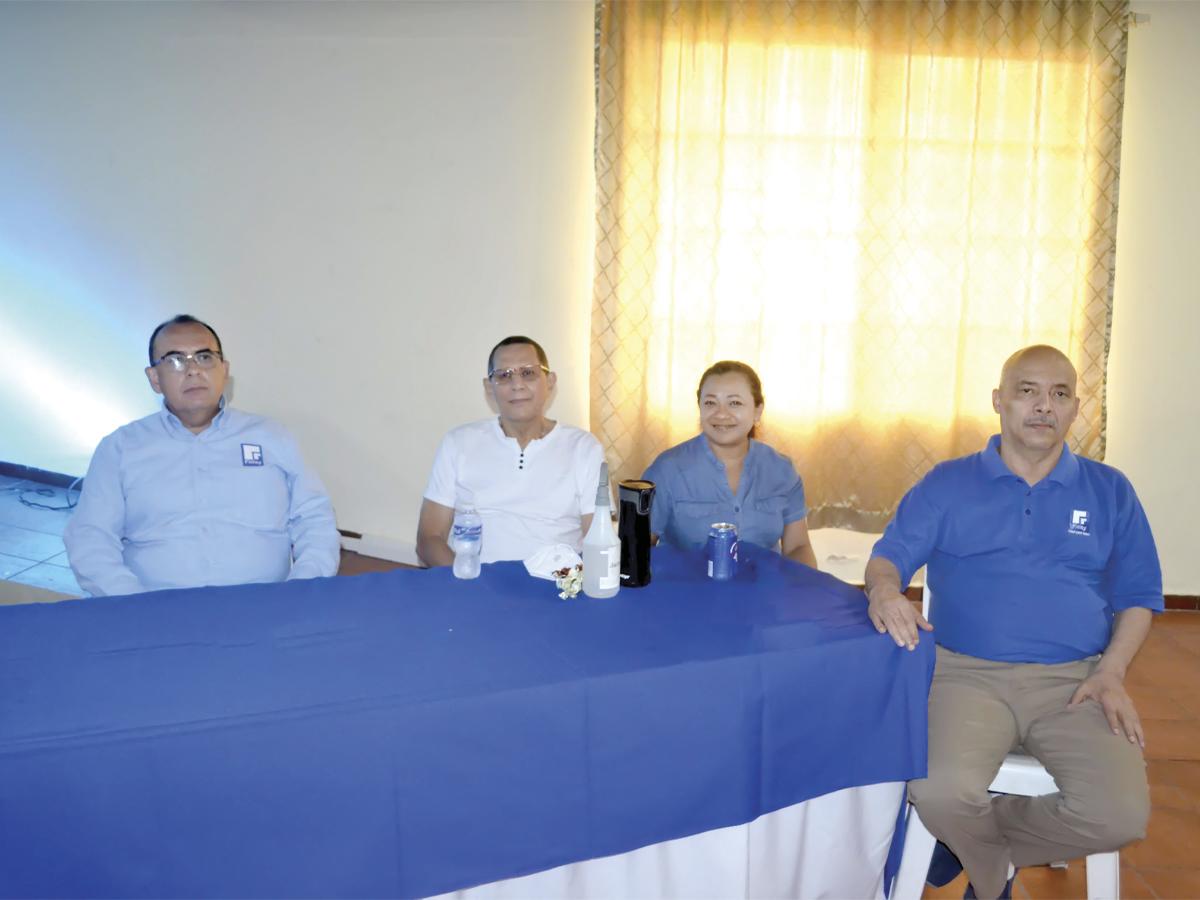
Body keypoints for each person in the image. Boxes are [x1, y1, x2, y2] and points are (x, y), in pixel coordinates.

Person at [866, 345, 1161, 899]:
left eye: (1059, 394)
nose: (1043, 406)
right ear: (999, 402)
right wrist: (885, 591)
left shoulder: (1110, 490)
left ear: (1077, 409)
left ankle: (974, 851)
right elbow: (889, 558)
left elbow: (1139, 597)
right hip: (964, 674)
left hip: (1077, 680)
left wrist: (1113, 672)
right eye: (1027, 391)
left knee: (1120, 815)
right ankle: (987, 862)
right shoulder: (948, 482)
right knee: (938, 792)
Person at [64, 314, 341, 596]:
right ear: (154, 378)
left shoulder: (271, 437)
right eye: (175, 360)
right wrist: (134, 606)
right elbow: (90, 537)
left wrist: (298, 594)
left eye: (205, 357)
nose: (193, 370)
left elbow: (315, 518)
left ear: (224, 369)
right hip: (156, 610)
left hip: (265, 608)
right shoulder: (121, 447)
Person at [416, 335, 605, 566]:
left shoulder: (584, 448)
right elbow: (429, 538)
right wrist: (468, 582)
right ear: (489, 387)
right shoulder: (459, 443)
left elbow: (598, 541)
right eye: (504, 376)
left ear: (550, 381)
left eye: (528, 373)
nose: (517, 385)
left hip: (555, 586)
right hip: (475, 581)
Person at [642, 360, 817, 567]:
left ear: (758, 410)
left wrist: (803, 591)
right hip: (684, 594)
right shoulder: (667, 469)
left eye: (734, 403)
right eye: (710, 403)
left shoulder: (782, 470)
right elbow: (640, 547)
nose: (721, 414)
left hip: (764, 594)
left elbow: (798, 547)